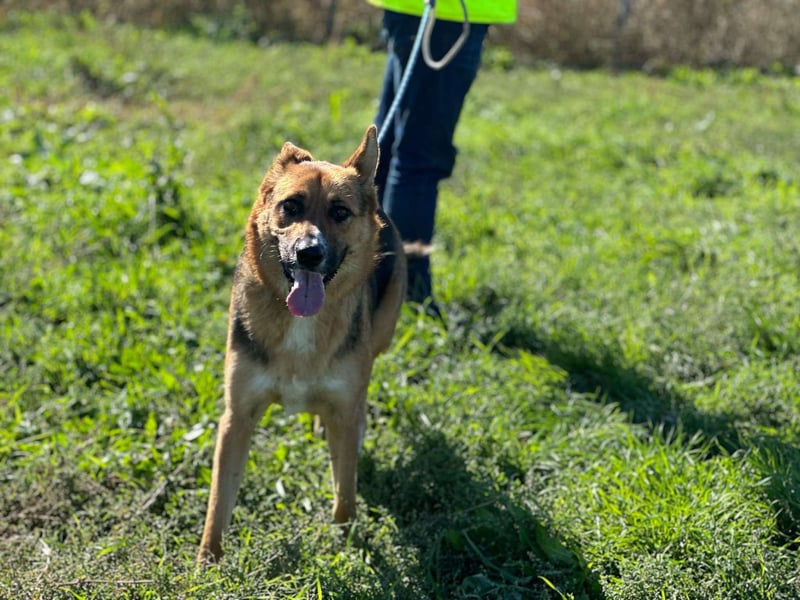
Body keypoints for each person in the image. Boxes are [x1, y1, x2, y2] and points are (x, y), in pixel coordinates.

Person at [368, 0, 517, 306]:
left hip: (429, 12)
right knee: (419, 159)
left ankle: (363, 277)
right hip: (447, 13)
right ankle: (406, 293)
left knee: (390, 146)